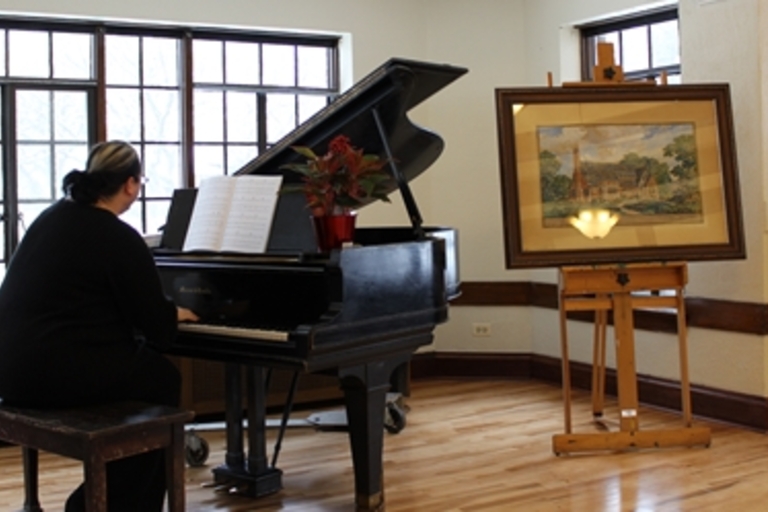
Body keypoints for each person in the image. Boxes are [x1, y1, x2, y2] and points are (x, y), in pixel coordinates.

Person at [0, 140, 199, 512]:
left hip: (10, 370)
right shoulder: (118, 236)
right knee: (162, 378)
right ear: (130, 184)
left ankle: (111, 494)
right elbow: (158, 332)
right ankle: (109, 503)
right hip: (53, 373)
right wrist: (172, 313)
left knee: (144, 373)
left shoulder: (51, 218)